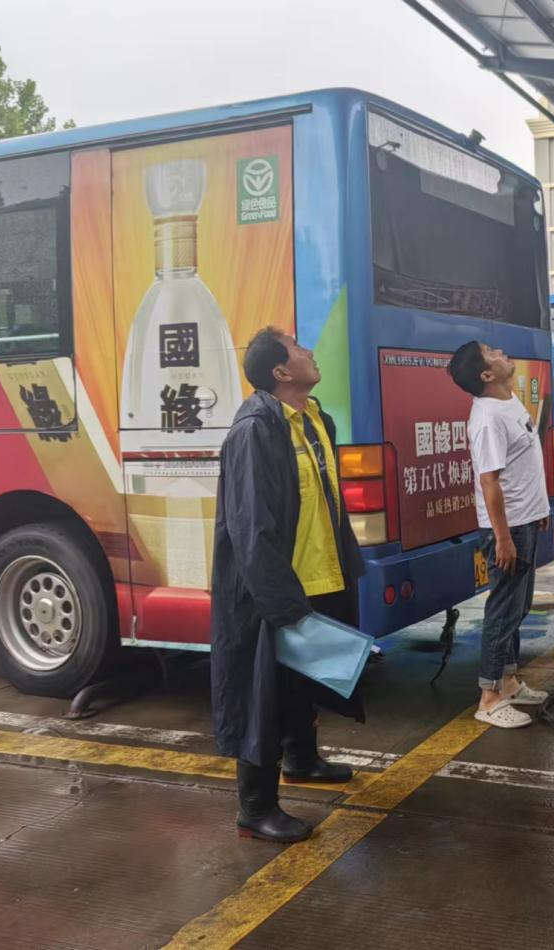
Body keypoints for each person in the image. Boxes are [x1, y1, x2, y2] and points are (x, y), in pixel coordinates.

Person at [211, 326, 366, 843]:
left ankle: (302, 758)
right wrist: (278, 601)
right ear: (280, 371)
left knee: (304, 679)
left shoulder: (315, 418)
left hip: (318, 575)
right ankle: (255, 808)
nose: (310, 352)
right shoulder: (255, 430)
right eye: (299, 350)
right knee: (264, 694)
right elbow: (250, 527)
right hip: (274, 586)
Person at [448, 340, 552, 729]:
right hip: (509, 528)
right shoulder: (488, 418)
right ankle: (489, 697)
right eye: (492, 353)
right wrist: (503, 537)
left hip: (525, 519)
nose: (502, 352)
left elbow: (522, 463)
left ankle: (508, 682)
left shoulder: (508, 401)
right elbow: (489, 481)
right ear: (487, 374)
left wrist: (540, 508)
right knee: (503, 610)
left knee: (518, 608)